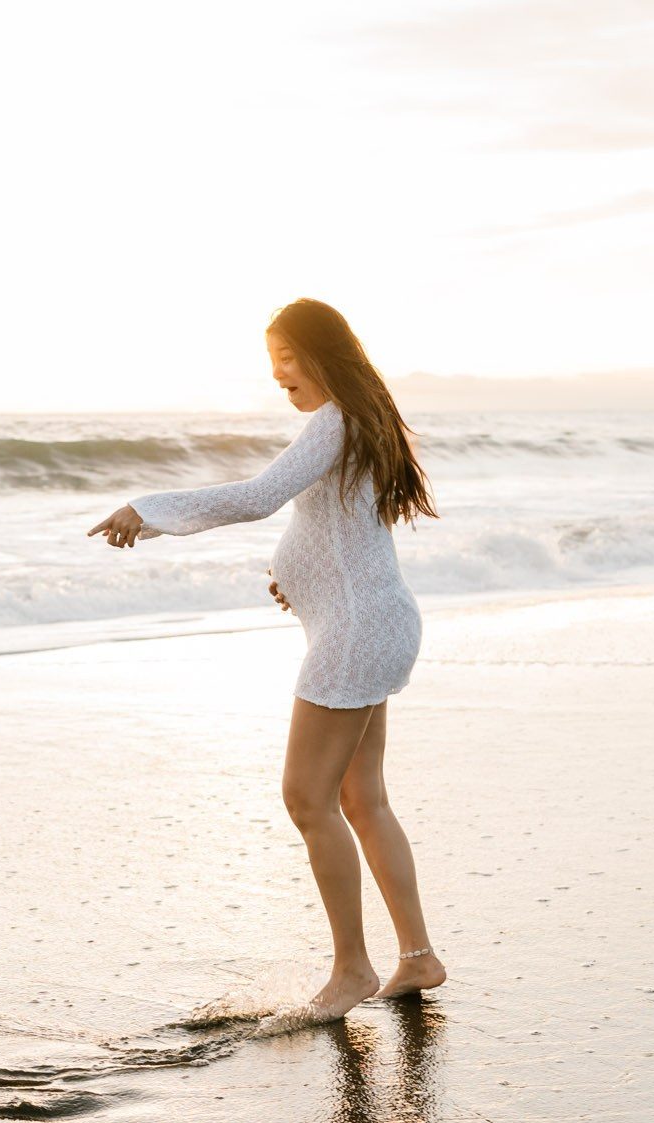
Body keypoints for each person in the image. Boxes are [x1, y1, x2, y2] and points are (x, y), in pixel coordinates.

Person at [87, 298, 443, 1021]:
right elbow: (342, 532)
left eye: (285, 355)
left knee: (307, 796)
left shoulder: (336, 420)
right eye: (271, 359)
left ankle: (351, 970)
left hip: (354, 632)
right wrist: (301, 579)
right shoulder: (363, 420)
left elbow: (257, 498)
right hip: (376, 621)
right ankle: (417, 956)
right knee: (361, 798)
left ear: (320, 353)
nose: (277, 373)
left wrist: (146, 508)